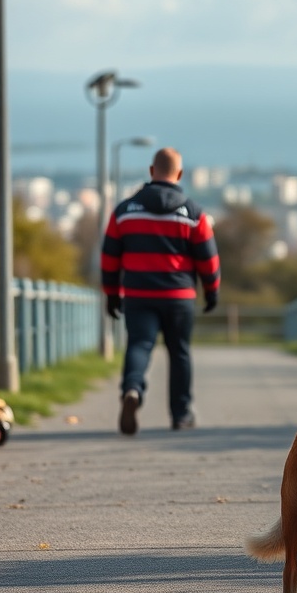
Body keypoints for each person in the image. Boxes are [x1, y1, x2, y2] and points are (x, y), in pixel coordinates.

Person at [100, 147, 220, 434]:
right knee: (179, 352)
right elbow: (208, 258)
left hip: (138, 294)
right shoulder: (193, 214)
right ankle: (181, 414)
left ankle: (132, 390)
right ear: (179, 175)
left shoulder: (124, 211)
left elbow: (109, 257)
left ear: (151, 172)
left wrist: (112, 293)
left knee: (139, 345)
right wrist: (211, 290)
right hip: (179, 297)